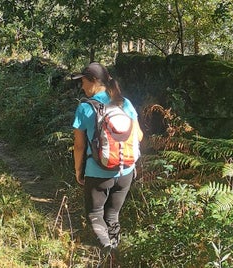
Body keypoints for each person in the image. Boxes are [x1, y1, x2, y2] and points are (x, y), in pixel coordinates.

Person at [71, 62, 140, 259]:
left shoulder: (85, 107)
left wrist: (78, 170)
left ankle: (107, 249)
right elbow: (139, 136)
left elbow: (79, 146)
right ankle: (115, 254)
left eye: (83, 82)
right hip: (126, 170)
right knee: (112, 215)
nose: (82, 87)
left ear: (93, 81)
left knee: (95, 214)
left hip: (98, 170)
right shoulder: (124, 103)